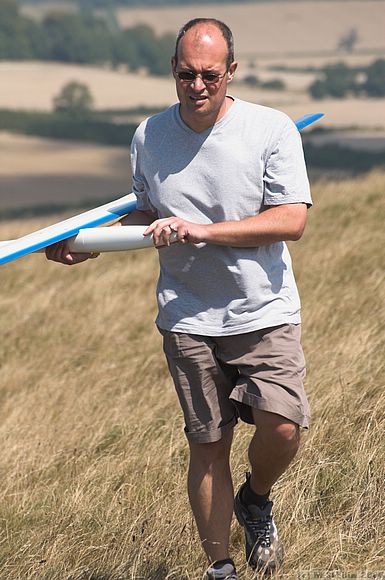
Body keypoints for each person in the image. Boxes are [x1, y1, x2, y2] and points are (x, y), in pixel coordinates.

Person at [46, 18, 312, 580]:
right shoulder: (149, 135)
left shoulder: (272, 129)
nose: (197, 85)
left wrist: (201, 230)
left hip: (261, 310)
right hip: (188, 317)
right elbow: (147, 213)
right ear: (173, 70)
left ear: (231, 72)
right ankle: (221, 567)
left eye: (210, 75)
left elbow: (290, 221)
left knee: (283, 427)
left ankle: (256, 499)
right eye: (187, 73)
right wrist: (90, 245)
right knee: (208, 444)